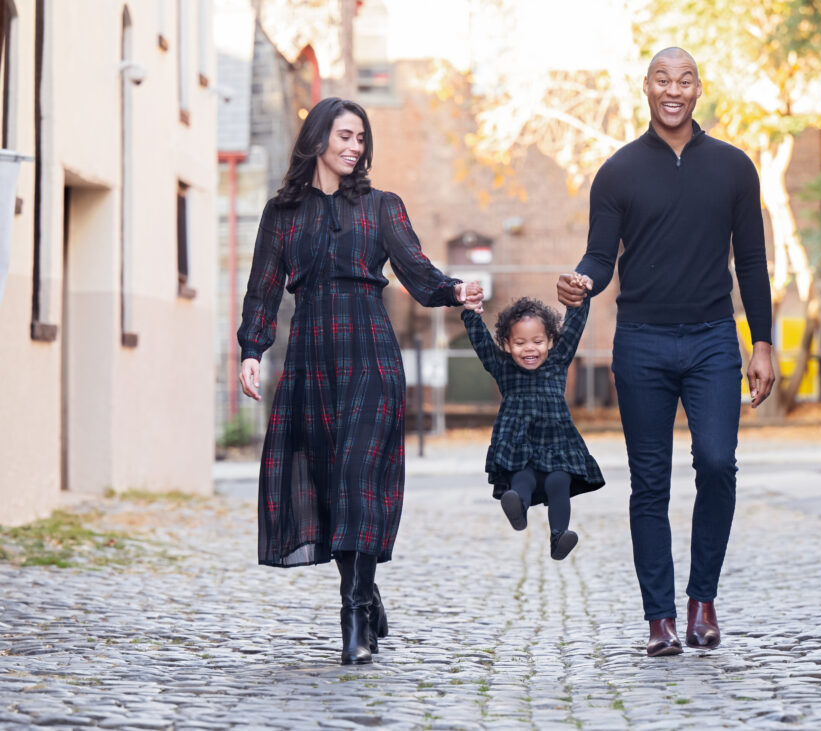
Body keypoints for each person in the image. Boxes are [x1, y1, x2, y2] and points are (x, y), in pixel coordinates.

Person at [237, 97, 484, 665]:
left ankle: (353, 615)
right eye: (345, 136)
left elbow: (417, 270)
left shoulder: (382, 207)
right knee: (329, 482)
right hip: (311, 356)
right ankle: (367, 594)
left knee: (356, 478)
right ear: (318, 138)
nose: (354, 147)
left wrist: (454, 290)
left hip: (370, 353)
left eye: (361, 139)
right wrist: (252, 350)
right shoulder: (282, 214)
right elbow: (264, 288)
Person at [557, 47, 775, 657]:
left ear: (698, 90)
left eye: (684, 80)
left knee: (717, 464)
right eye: (662, 79)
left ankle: (702, 598)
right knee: (649, 484)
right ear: (646, 88)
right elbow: (601, 256)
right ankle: (660, 619)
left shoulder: (734, 167)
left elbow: (752, 261)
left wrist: (761, 342)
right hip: (642, 344)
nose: (672, 89)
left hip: (712, 340)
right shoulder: (619, 172)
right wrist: (581, 279)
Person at [460, 282, 604, 560]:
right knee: (522, 477)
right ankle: (518, 507)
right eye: (520, 342)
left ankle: (559, 536)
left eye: (538, 342)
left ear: (550, 341)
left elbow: (573, 329)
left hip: (555, 440)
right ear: (507, 345)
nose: (530, 349)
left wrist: (580, 299)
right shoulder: (503, 366)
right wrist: (470, 313)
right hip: (519, 441)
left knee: (559, 481)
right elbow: (481, 342)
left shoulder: (558, 360)